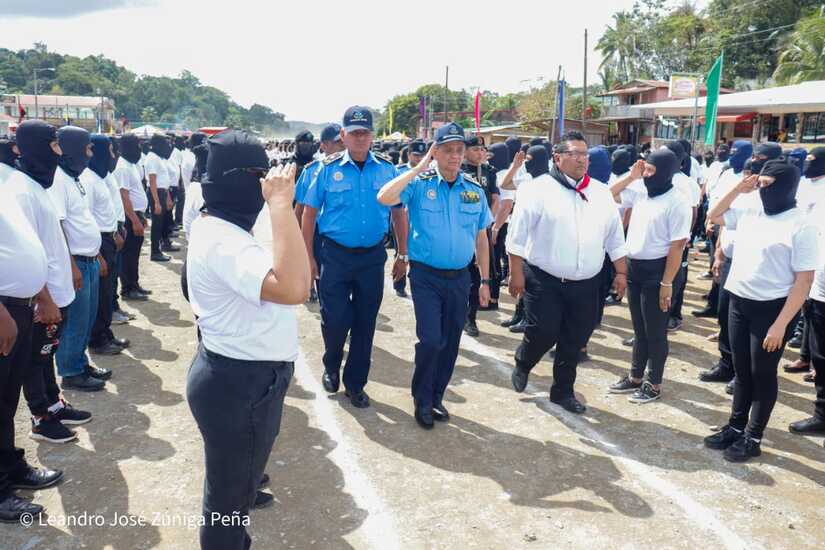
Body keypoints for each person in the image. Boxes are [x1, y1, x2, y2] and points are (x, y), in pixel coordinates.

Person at [186, 130, 310, 549]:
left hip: (236, 376)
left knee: (231, 487)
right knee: (226, 504)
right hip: (240, 383)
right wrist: (279, 203)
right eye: (258, 175)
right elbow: (295, 288)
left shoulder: (221, 223)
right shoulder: (223, 239)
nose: (264, 184)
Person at [377, 122, 493, 428]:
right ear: (435, 153)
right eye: (448, 151)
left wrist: (484, 279)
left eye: (459, 150)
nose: (455, 157)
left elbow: (482, 237)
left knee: (451, 341)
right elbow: (385, 198)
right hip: (427, 276)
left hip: (460, 278)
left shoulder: (474, 191)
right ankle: (422, 398)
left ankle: (437, 395)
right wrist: (419, 168)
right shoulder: (420, 185)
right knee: (430, 339)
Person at [704, 160, 817, 462]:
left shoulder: (800, 225)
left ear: (786, 185)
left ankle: (753, 435)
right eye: (760, 183)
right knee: (742, 371)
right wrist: (739, 190)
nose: (762, 189)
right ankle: (735, 425)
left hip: (773, 310)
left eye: (768, 184)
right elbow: (714, 215)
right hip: (739, 301)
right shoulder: (750, 209)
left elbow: (803, 281)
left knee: (762, 373)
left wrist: (781, 325)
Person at [507, 135, 628, 414]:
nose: (582, 159)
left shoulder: (600, 192)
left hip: (587, 282)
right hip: (544, 278)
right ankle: (524, 360)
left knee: (575, 338)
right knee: (543, 332)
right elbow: (516, 236)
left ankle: (562, 392)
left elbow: (614, 237)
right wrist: (516, 274)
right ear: (557, 157)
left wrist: (621, 271)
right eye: (575, 154)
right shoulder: (536, 190)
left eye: (585, 154)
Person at [301, 106, 397, 408]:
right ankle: (331, 363)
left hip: (371, 257)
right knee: (336, 319)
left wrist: (403, 253)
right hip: (335, 255)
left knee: (365, 323)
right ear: (343, 135)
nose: (359, 138)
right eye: (353, 133)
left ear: (372, 136)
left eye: (365, 133)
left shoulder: (386, 169)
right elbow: (308, 214)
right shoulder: (325, 170)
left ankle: (356, 384)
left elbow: (399, 212)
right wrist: (308, 257)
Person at [7, 121, 91, 445]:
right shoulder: (21, 190)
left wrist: (69, 267)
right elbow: (26, 251)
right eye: (53, 145)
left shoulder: (39, 186)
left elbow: (53, 235)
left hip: (57, 288)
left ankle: (54, 403)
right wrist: (43, 298)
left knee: (46, 353)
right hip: (45, 296)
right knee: (36, 357)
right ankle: (41, 417)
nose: (58, 153)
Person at [0, 182, 64, 523]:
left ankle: (10, 467)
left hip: (20, 308)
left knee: (7, 402)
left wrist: (41, 294)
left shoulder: (7, 189)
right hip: (4, 312)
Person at [608, 149, 691, 403]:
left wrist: (667, 283)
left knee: (655, 331)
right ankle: (635, 376)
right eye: (645, 169)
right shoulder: (642, 190)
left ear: (666, 172)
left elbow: (677, 246)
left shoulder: (678, 201)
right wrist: (632, 177)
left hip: (659, 272)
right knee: (639, 329)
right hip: (635, 268)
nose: (646, 174)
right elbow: (609, 195)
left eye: (651, 171)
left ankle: (653, 383)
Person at [49, 127, 107, 392]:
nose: (90, 153)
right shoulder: (59, 180)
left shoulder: (75, 178)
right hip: (77, 262)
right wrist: (70, 266)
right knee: (75, 321)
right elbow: (58, 227)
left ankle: (81, 363)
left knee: (87, 318)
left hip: (89, 259)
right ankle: (71, 372)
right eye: (87, 148)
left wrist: (98, 255)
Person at [82, 135, 124, 358]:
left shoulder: (100, 177)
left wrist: (115, 232)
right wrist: (97, 254)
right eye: (108, 150)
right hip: (98, 242)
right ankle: (97, 340)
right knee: (100, 295)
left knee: (107, 292)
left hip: (108, 238)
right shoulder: (87, 180)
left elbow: (107, 211)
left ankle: (106, 333)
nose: (113, 155)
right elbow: (87, 219)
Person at [294, 124, 346, 303]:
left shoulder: (354, 169)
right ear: (323, 145)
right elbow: (299, 210)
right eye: (337, 143)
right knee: (325, 283)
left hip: (342, 236)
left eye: (343, 141)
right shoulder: (311, 170)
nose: (343, 146)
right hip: (317, 233)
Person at [462, 135, 500, 336]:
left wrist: (489, 220)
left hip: (481, 230)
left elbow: (495, 198)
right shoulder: (458, 171)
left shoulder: (488, 172)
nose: (480, 153)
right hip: (461, 231)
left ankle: (471, 319)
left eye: (482, 149)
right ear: (465, 151)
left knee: (478, 275)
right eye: (475, 149)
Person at [663, 141, 702, 332]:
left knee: (677, 276)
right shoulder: (658, 177)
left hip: (679, 241)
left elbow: (694, 213)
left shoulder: (687, 183)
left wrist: (685, 239)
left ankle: (674, 315)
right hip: (659, 243)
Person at [115, 134, 151, 301]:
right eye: (137, 145)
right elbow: (124, 196)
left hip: (137, 214)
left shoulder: (131, 165)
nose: (139, 148)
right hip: (131, 216)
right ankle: (128, 288)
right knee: (129, 253)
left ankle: (134, 284)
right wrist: (135, 220)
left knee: (135, 253)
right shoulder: (122, 167)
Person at [391, 139, 427, 299]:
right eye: (416, 155)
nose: (419, 159)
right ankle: (399, 284)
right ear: (409, 154)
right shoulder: (399, 171)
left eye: (422, 155)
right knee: (401, 250)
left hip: (422, 219)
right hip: (401, 217)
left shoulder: (429, 172)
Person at [145, 134, 176, 262]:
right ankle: (155, 252)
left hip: (162, 192)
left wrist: (168, 198)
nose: (167, 146)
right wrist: (157, 202)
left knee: (161, 223)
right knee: (157, 224)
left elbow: (164, 181)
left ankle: (159, 249)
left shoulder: (159, 157)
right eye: (164, 143)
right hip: (156, 193)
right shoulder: (152, 158)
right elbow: (152, 181)